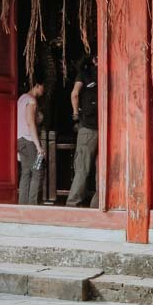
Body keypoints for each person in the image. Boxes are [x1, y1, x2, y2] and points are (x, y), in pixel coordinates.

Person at [67, 56, 99, 208]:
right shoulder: (105, 73)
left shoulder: (84, 74)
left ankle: (73, 202)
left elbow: (74, 94)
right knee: (102, 168)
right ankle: (98, 203)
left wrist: (75, 114)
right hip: (106, 128)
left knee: (83, 168)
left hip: (88, 127)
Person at [17, 80, 46, 205]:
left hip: (20, 140)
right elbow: (30, 123)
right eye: (42, 88)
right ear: (37, 85)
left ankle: (23, 205)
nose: (43, 91)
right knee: (37, 171)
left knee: (26, 172)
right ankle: (33, 205)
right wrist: (38, 146)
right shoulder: (31, 100)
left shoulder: (21, 99)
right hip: (29, 140)